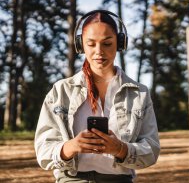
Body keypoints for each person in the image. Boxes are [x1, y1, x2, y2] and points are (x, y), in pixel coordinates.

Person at [34, 10, 160, 183]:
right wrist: (71, 147)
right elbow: (43, 150)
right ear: (81, 45)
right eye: (91, 44)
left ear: (120, 43)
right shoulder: (61, 91)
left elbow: (151, 150)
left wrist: (121, 149)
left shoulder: (139, 93)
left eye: (107, 43)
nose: (99, 51)